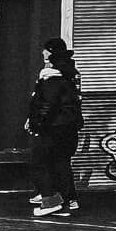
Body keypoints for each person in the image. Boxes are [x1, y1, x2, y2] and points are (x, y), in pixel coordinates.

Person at [25, 37, 83, 218]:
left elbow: (48, 104)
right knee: (61, 162)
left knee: (39, 162)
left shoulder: (51, 76)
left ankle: (50, 200)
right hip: (68, 126)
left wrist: (37, 125)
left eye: (45, 50)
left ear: (51, 53)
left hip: (53, 127)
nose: (42, 53)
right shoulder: (69, 74)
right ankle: (66, 202)